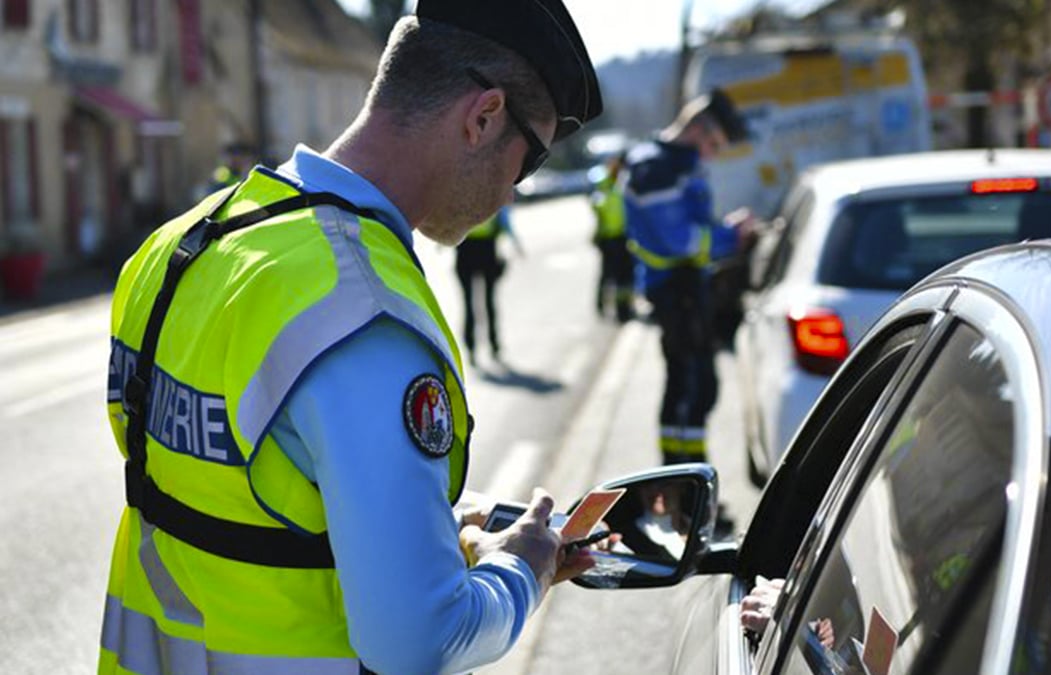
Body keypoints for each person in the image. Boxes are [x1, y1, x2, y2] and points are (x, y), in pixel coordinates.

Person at [99, 2, 602, 674]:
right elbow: (419, 640)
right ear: (483, 117)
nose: (514, 191)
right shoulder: (365, 313)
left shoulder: (181, 244)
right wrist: (525, 568)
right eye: (530, 159)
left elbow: (229, 500)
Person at [622, 89, 757, 466]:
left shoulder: (681, 163)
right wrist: (732, 237)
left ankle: (687, 483)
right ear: (696, 128)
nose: (713, 155)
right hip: (672, 291)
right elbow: (680, 239)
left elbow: (694, 228)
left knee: (700, 389)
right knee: (688, 390)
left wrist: (725, 229)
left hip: (689, 288)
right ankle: (679, 488)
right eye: (713, 144)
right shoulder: (655, 166)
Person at [455, 205, 523, 365]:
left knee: (469, 303)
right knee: (489, 302)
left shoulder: (457, 190)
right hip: (487, 251)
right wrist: (516, 243)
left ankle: (471, 348)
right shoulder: (490, 190)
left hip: (466, 252)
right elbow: (504, 221)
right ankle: (494, 345)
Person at [589, 151, 634, 321]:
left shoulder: (623, 183)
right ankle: (604, 306)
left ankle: (623, 309)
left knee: (623, 276)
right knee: (610, 275)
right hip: (609, 238)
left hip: (623, 236)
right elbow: (598, 207)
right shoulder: (606, 184)